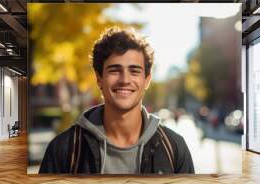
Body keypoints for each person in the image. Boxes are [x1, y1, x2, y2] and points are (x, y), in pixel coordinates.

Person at [39, 27, 194, 174]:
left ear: (147, 80)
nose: (125, 80)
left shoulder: (175, 148)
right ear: (99, 78)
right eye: (114, 70)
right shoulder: (64, 150)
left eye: (134, 71)